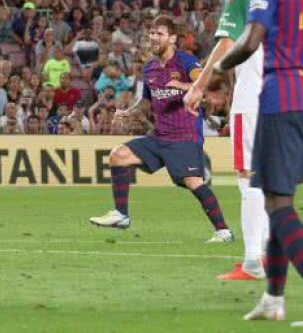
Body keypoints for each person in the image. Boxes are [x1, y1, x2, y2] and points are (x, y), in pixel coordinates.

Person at [212, 0, 303, 322]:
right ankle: (273, 298)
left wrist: (218, 69)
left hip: (282, 97)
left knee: (279, 203)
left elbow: (250, 41)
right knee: (273, 199)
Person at [89, 15, 232, 243]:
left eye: (160, 34)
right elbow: (146, 101)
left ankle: (223, 231)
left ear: (172, 38)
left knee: (193, 182)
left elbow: (202, 87)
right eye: (152, 33)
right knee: (119, 156)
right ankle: (121, 215)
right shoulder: (149, 69)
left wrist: (183, 85)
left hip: (184, 135)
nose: (154, 38)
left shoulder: (186, 62)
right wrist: (130, 112)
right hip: (159, 135)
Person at [185, 0, 274, 281]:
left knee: (247, 177)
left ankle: (254, 261)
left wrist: (198, 86)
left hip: (253, 101)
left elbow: (224, 45)